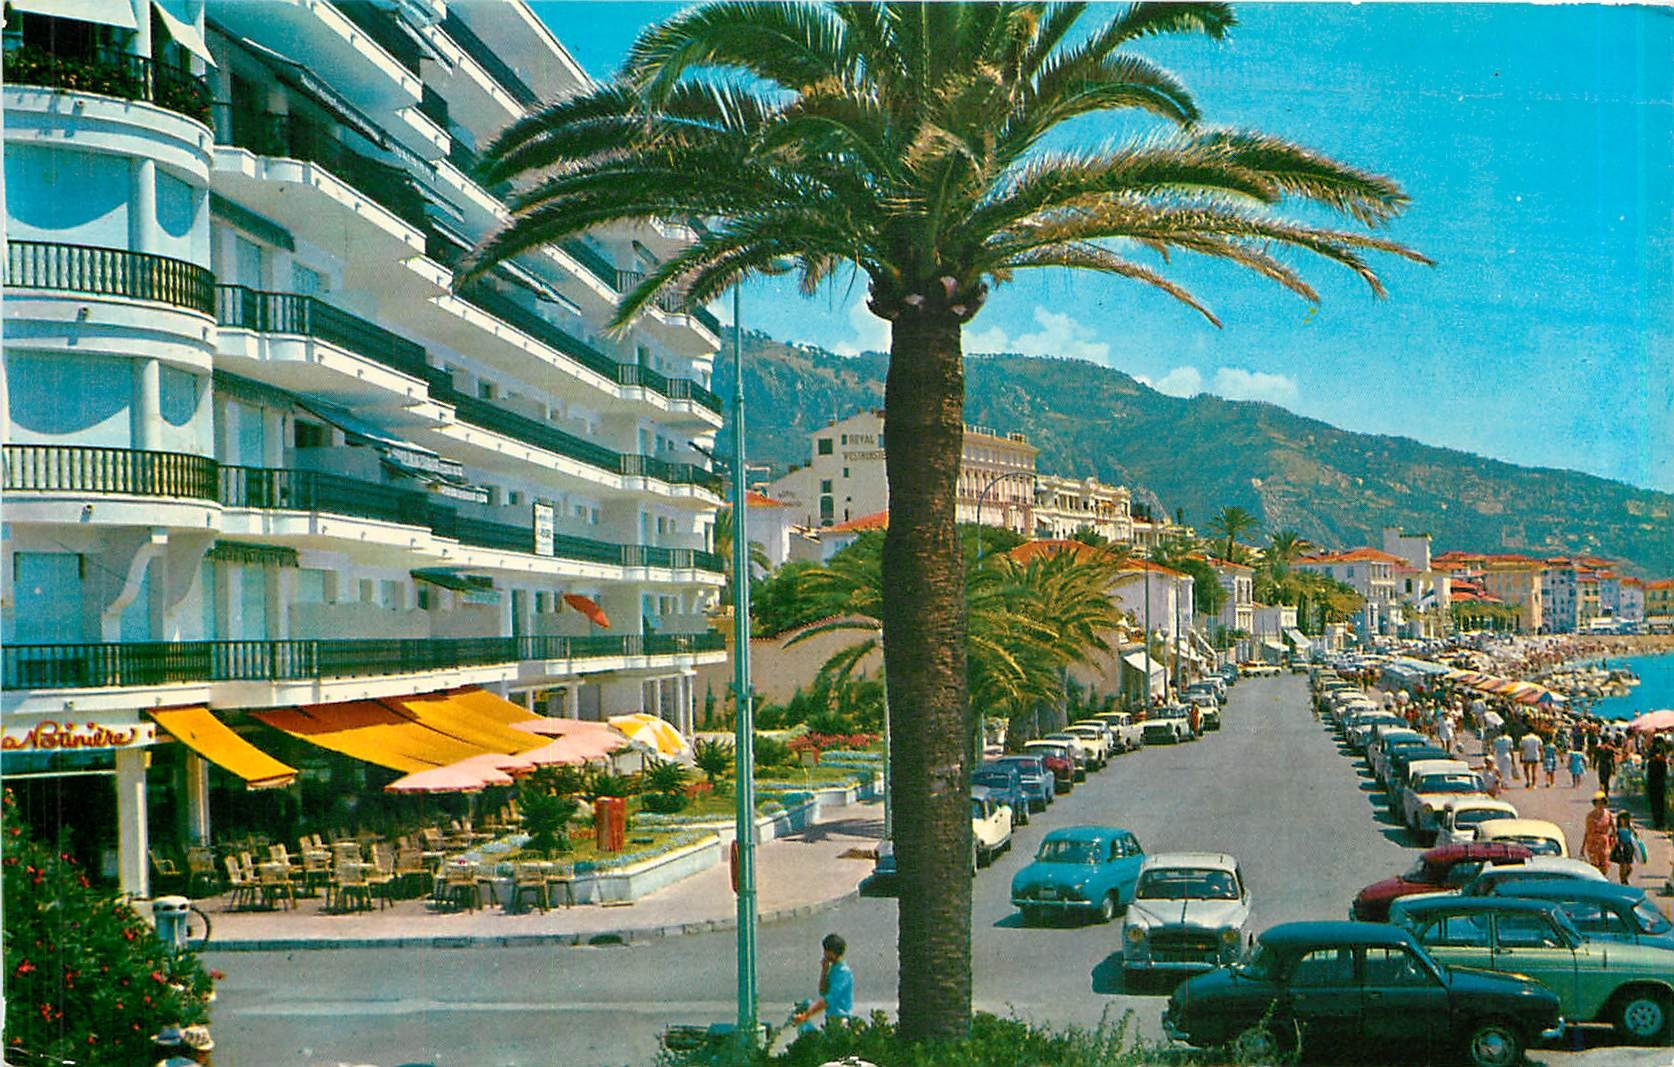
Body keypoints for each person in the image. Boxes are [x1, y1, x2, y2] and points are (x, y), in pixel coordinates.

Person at [790, 933, 853, 1030]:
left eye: (826, 951)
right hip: (831, 1017)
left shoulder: (843, 973)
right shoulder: (833, 969)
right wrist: (824, 971)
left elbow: (829, 999)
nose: (824, 954)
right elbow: (823, 991)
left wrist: (806, 1015)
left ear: (833, 952)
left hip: (841, 1019)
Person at [1581, 791, 1615, 877]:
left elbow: (1614, 829)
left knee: (1604, 865)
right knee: (1594, 866)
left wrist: (1613, 842)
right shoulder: (1590, 816)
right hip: (1592, 841)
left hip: (1604, 842)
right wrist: (1583, 847)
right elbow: (1587, 831)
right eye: (1598, 803)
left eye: (1602, 803)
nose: (1600, 805)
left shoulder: (1608, 815)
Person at [1610, 812, 1647, 887]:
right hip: (1620, 848)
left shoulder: (1630, 827)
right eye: (1622, 819)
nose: (1623, 820)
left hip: (1629, 847)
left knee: (1629, 867)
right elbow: (1613, 835)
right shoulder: (1617, 828)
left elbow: (1635, 835)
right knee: (1622, 865)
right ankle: (1623, 880)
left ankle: (1625, 877)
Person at [1648, 744, 1668, 831]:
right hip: (1661, 784)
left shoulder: (1651, 762)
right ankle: (1660, 821)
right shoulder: (1663, 761)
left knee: (1654, 803)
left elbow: (1649, 774)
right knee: (1660, 803)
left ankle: (1656, 821)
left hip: (1653, 784)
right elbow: (1665, 773)